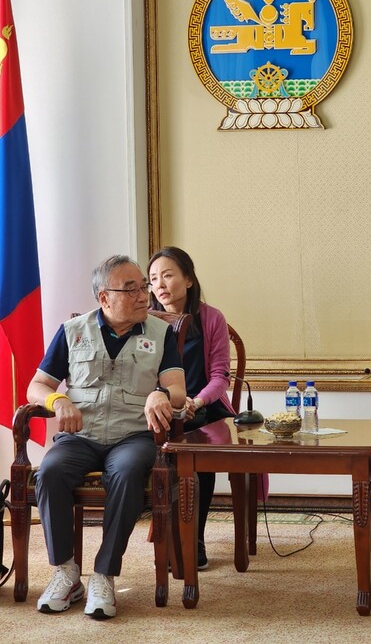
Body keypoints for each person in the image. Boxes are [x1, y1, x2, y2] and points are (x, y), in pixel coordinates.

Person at [28, 255, 186, 620]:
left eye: (143, 287)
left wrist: (162, 394)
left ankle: (103, 574)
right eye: (130, 289)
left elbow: (177, 389)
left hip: (133, 436)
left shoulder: (162, 334)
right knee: (50, 471)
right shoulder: (72, 332)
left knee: (128, 472)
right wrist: (58, 399)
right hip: (81, 435)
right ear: (104, 298)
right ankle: (66, 573)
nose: (143, 295)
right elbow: (37, 386)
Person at [147, 246, 235, 571]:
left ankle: (193, 539)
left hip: (203, 405)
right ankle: (169, 535)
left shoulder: (211, 318)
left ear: (187, 278)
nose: (160, 284)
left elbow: (220, 378)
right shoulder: (147, 321)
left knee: (200, 448)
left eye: (168, 275)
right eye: (153, 279)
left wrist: (195, 402)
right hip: (159, 405)